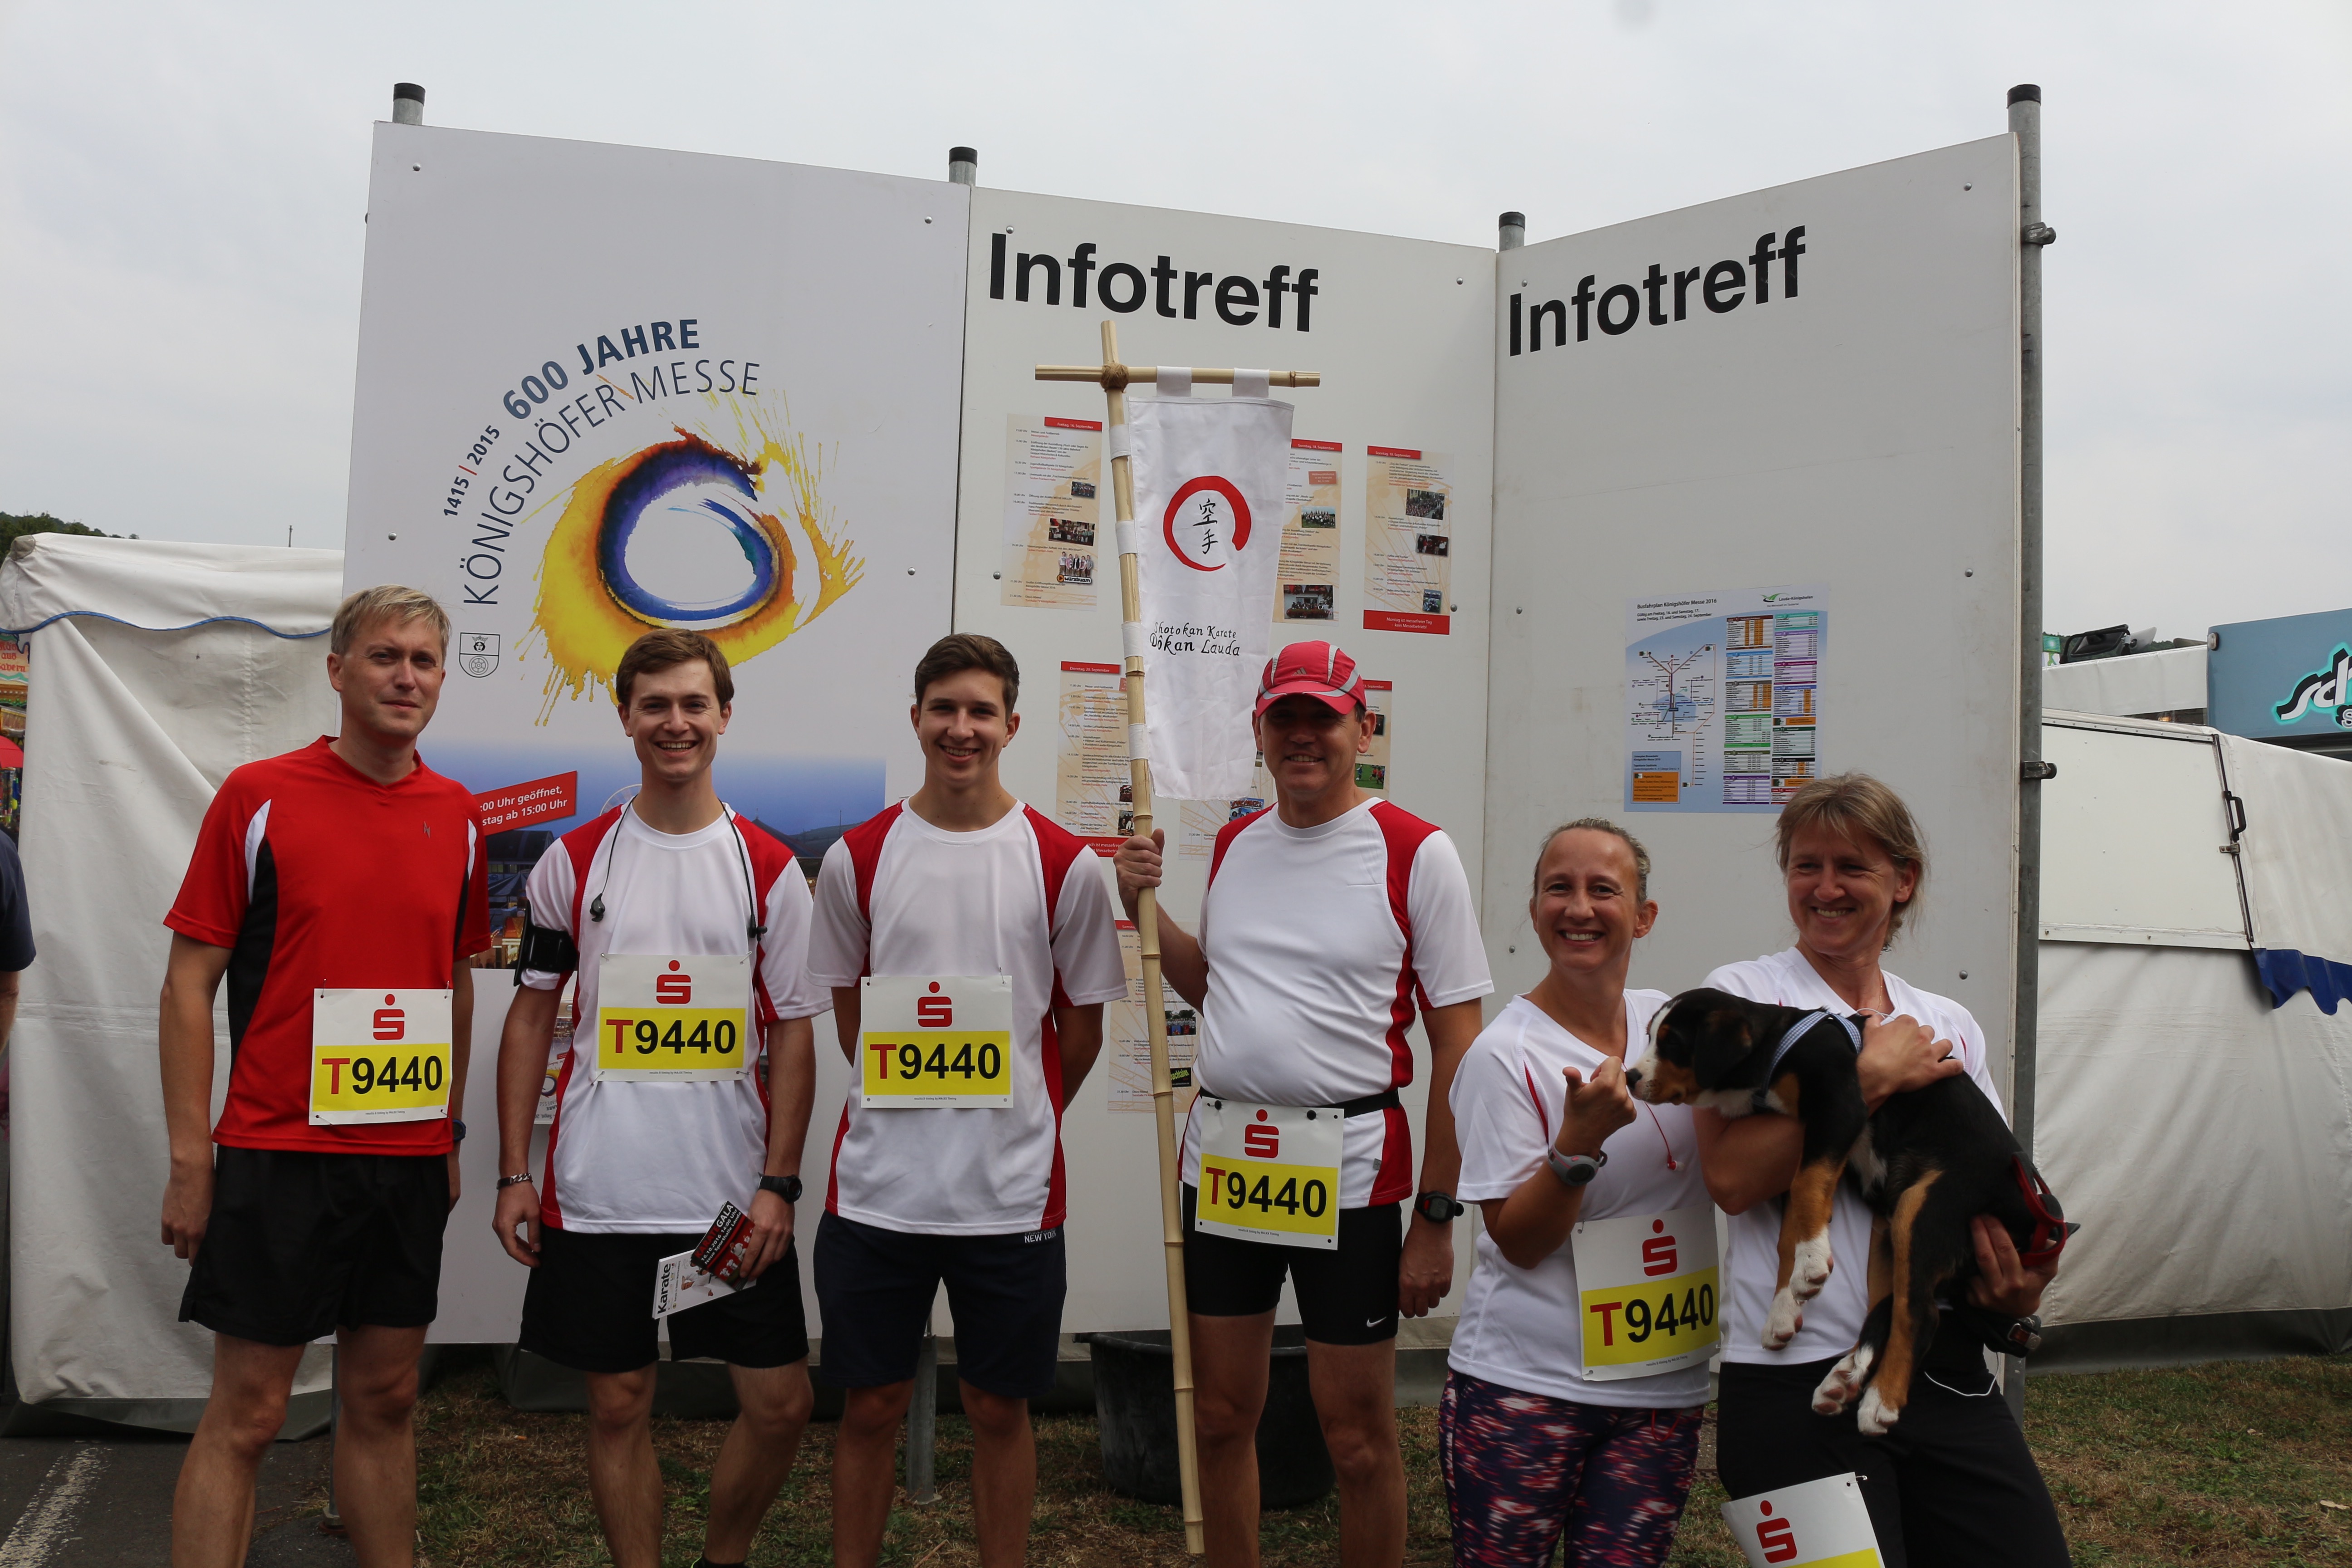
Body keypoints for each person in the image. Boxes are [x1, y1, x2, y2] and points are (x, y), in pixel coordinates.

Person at [1112, 639, 1492, 1568]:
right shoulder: (1238, 842)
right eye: (1284, 717)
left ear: (1364, 729)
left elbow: (1460, 1050)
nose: (1303, 736)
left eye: (1324, 717)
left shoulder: (1417, 850)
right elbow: (1218, 990)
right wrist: (1143, 907)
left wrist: (1437, 1217)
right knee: (1220, 1418)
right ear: (1260, 731)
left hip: (1350, 1168)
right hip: (1228, 1160)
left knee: (1356, 1437)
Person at [161, 586, 488, 1568]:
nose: (406, 677)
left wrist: (449, 1134)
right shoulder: (258, 796)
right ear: (338, 670)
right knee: (252, 1412)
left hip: (407, 1159)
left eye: (424, 661)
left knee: (385, 1398)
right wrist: (191, 1159)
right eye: (385, 657)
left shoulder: (459, 814)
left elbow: (456, 984)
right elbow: (187, 986)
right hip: (279, 1154)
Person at [491, 629, 825, 1568]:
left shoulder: (768, 868)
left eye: (692, 704)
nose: (675, 723)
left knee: (781, 1405)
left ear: (723, 715)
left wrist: (779, 1186)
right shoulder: (574, 861)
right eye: (655, 706)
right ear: (626, 717)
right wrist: (514, 1172)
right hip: (602, 1195)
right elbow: (531, 1016)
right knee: (617, 1404)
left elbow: (795, 1033)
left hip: (727, 1203)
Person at [804, 633, 1126, 1568]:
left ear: (1011, 726)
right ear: (915, 719)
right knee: (869, 1407)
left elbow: (1079, 1033)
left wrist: (1016, 1113)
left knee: (998, 1407)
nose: (961, 728)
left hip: (1009, 1198)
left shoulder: (1064, 862)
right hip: (879, 1196)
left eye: (981, 711)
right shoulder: (858, 858)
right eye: (944, 709)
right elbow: (854, 1023)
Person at [1694, 773, 2069, 1568]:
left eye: (1852, 867)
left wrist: (2018, 1290)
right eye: (1806, 866)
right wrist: (1869, 1076)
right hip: (1791, 1388)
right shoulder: (1745, 995)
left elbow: (1985, 1188)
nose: (1825, 888)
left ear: (1903, 881)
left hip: (1943, 1369)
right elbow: (1729, 1180)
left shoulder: (1947, 1023)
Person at [1441, 819, 1709, 1567]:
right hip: (1528, 1388)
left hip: (1659, 1393)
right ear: (1535, 912)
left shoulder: (1671, 1027)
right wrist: (1576, 1146)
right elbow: (1519, 1243)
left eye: (1604, 890)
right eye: (1559, 889)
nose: (1580, 908)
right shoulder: (1504, 1055)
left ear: (1644, 916)